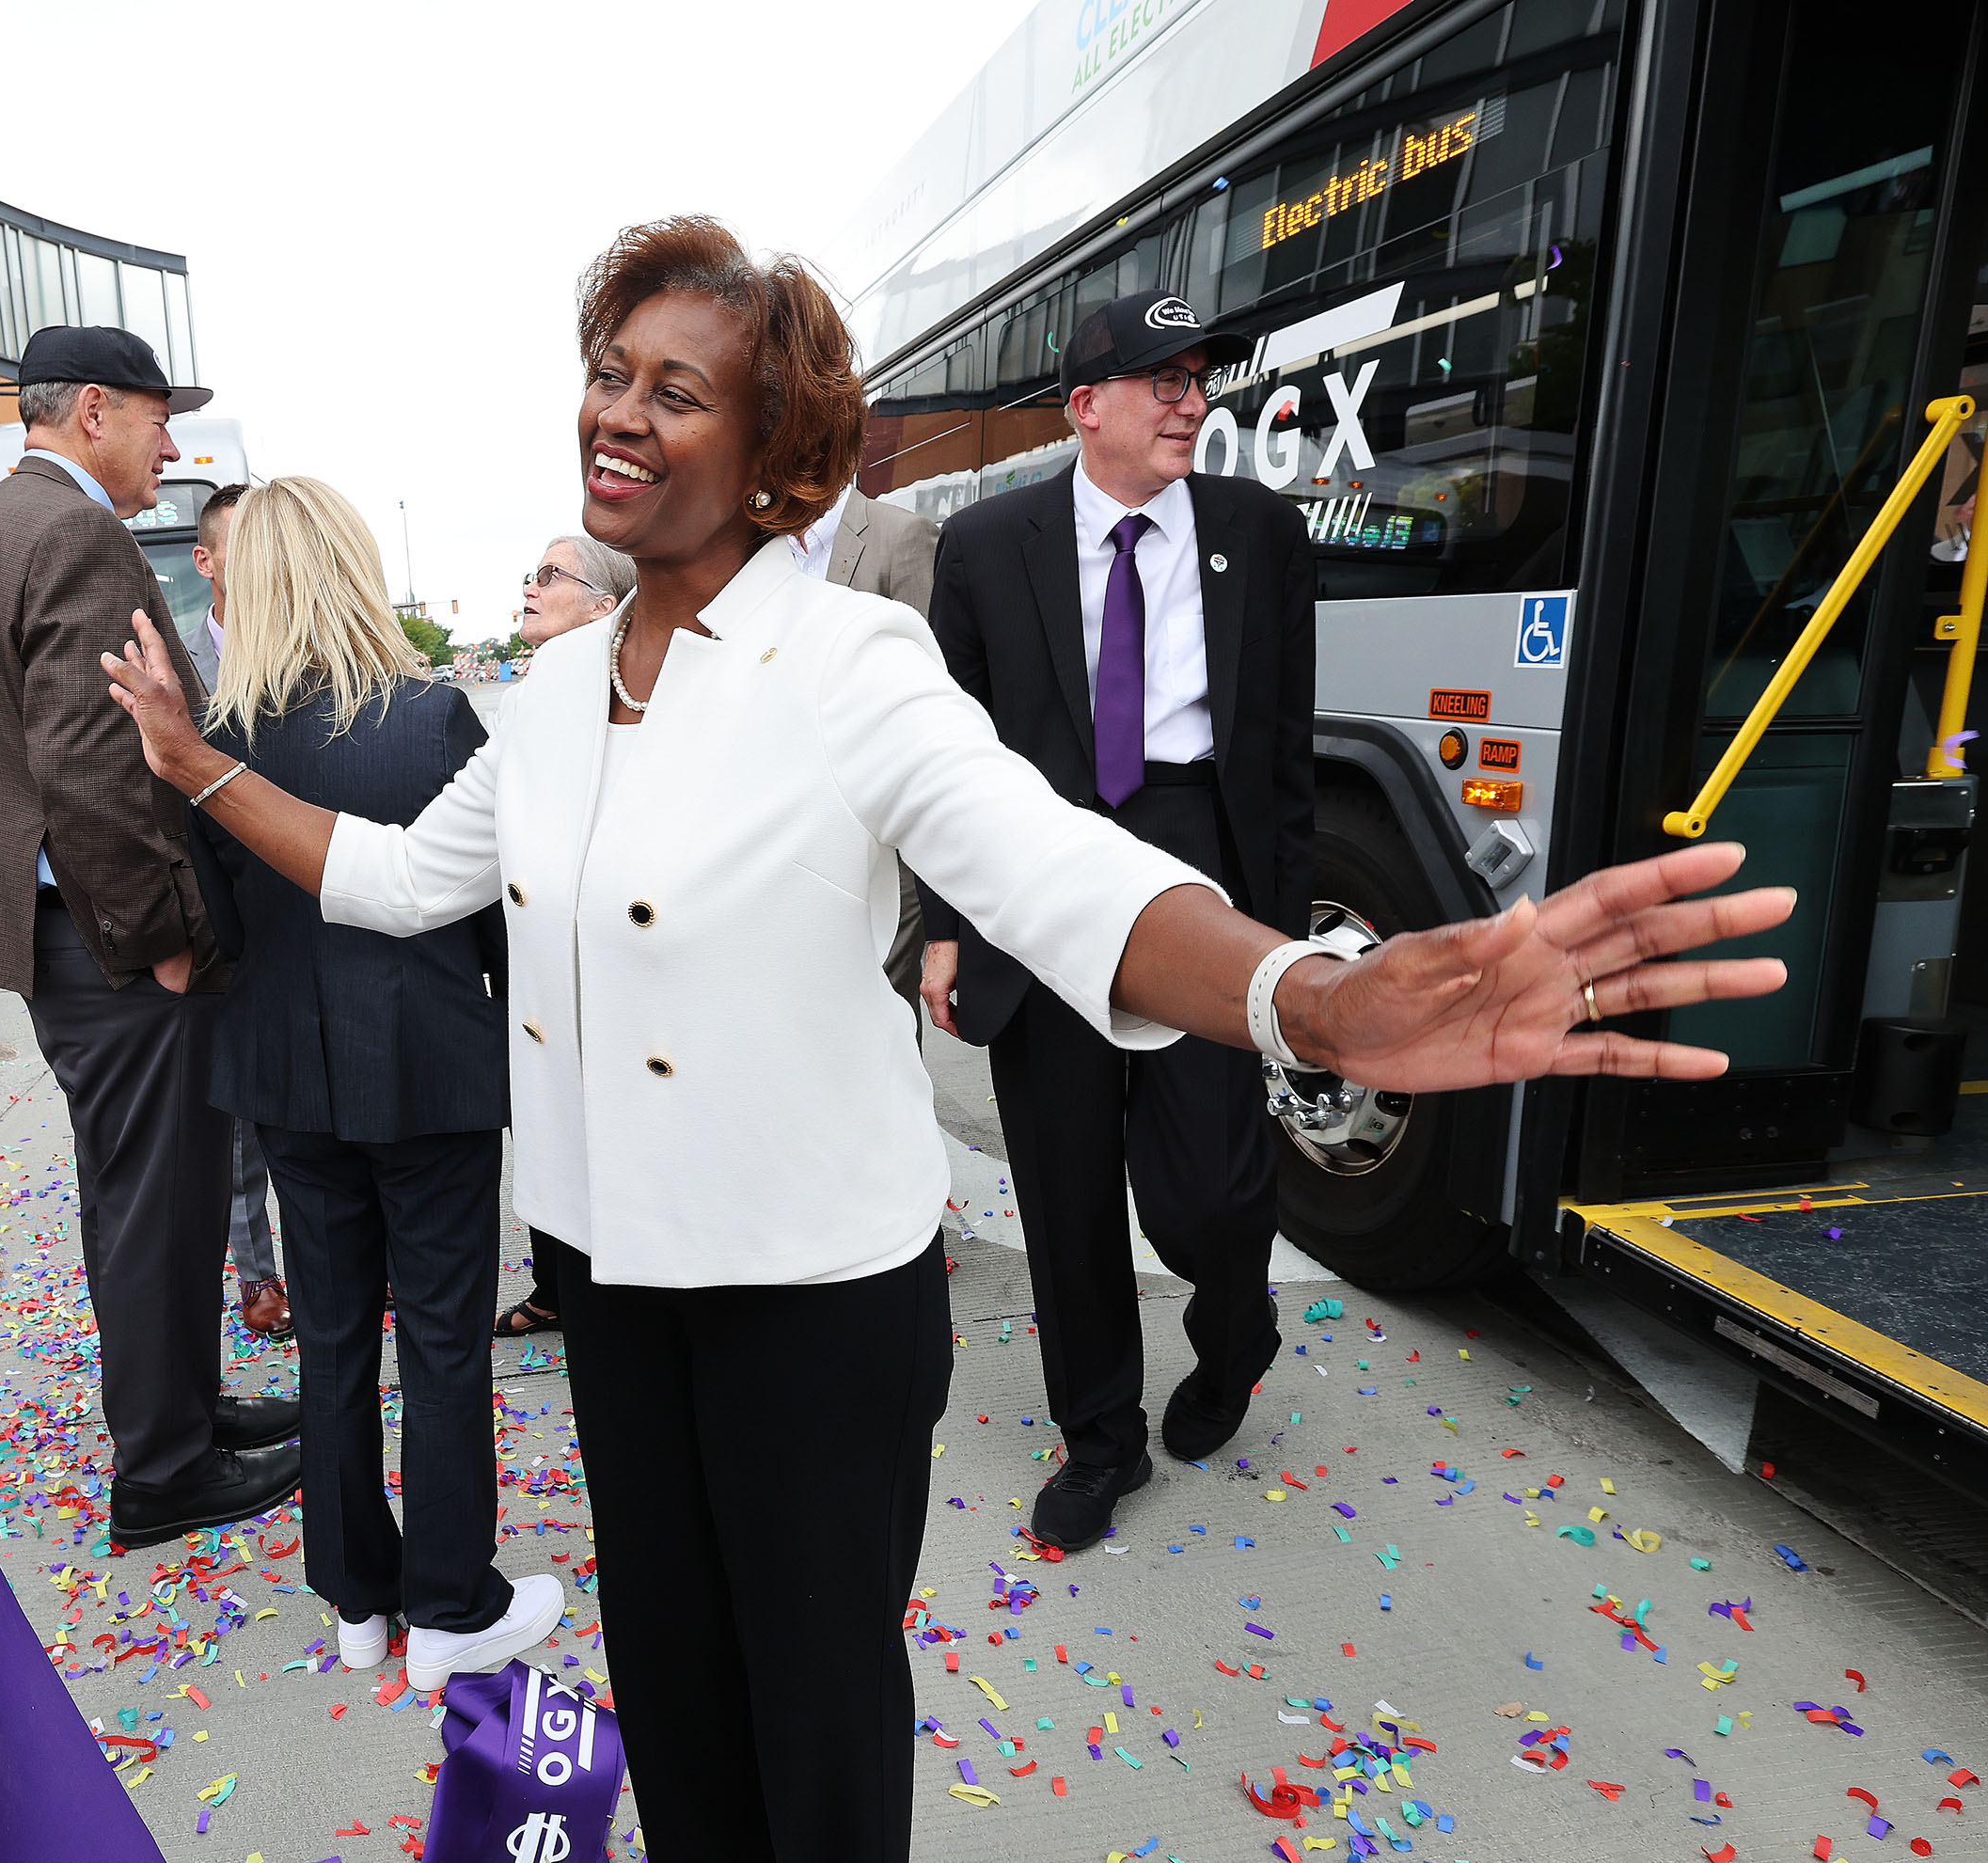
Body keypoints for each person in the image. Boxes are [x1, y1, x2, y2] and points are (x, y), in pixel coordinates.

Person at [99, 214, 1791, 1863]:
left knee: (819, 1729)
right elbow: (394, 882)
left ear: (773, 451)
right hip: (612, 1289)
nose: (621, 410)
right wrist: (193, 770)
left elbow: (1061, 869)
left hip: (812, 1304)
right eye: (612, 372)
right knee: (677, 1696)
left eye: (677, 389)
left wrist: (1315, 996)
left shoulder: (853, 659)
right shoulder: (540, 700)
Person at [916, 289, 1315, 1550]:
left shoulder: (1260, 531)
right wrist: (943, 923)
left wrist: (1284, 952)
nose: (1192, 398)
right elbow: (947, 756)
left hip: (1196, 856)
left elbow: (1288, 755)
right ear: (1087, 406)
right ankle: (1101, 1440)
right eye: (1162, 377)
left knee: (1206, 1185)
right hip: (1042, 875)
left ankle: (1234, 1324)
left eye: (1201, 376)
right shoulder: (986, 546)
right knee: (1068, 1184)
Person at [0, 324, 302, 1544]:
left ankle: (180, 1413)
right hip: (109, 936)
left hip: (55, 927)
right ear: (94, 408)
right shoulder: (74, 530)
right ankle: (164, 1466)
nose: (171, 442)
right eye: (156, 416)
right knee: (156, 1200)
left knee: (145, 1194)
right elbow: (92, 767)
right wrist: (162, 940)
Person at [192, 477, 557, 1689]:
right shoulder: (434, 714)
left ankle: (357, 1597)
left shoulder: (221, 739)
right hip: (432, 1068)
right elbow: (497, 913)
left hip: (291, 1078)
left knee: (335, 1338)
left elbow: (221, 920)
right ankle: (451, 1606)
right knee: (443, 1342)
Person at [491, 534, 632, 1342]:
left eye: (551, 575)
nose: (531, 586)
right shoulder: (523, 706)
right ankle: (558, 1281)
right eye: (530, 572)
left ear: (603, 606)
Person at [182, 482, 291, 1340]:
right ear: (207, 563)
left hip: (313, 902)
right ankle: (258, 1276)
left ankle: (354, 1254)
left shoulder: (309, 653)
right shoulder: (179, 670)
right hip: (223, 926)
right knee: (246, 1124)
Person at [793, 479, 945, 1011]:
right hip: (788, 824)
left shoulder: (901, 535)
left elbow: (925, 690)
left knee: (878, 1004)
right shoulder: (757, 543)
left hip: (877, 825)